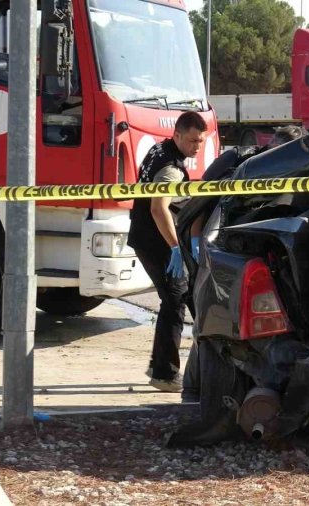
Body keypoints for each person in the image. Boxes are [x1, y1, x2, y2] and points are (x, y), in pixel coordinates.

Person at [179, 125, 304, 403]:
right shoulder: (236, 161)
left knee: (214, 319)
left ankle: (199, 389)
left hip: (246, 244)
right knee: (206, 315)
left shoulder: (299, 174)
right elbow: (199, 203)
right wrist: (196, 245)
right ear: (270, 148)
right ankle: (192, 390)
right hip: (215, 241)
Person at [128, 111, 208, 392]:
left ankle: (160, 366)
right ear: (177, 135)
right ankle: (163, 374)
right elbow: (158, 207)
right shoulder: (171, 168)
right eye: (192, 141)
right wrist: (176, 248)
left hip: (146, 235)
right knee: (174, 301)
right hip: (156, 241)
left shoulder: (159, 148)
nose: (197, 147)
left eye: (200, 141)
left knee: (177, 297)